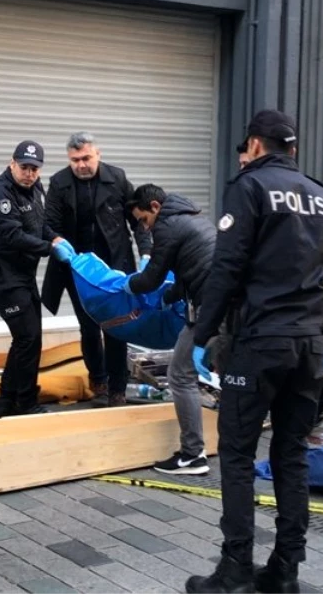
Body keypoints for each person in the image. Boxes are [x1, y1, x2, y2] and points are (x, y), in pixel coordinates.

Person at [188, 110, 323, 594]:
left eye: (246, 148)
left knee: (239, 454)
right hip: (307, 347)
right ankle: (286, 571)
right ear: (293, 149)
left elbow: (227, 266)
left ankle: (235, 570)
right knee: (291, 454)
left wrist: (202, 335)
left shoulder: (248, 188)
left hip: (258, 343)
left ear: (257, 146)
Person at [43, 132, 151, 407]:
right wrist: (56, 241)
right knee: (89, 327)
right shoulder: (59, 183)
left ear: (98, 155)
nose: (81, 164)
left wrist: (147, 252)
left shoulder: (116, 178)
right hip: (77, 269)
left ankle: (117, 388)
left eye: (86, 158)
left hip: (113, 268)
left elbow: (138, 220)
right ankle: (98, 382)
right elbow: (49, 223)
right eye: (75, 160)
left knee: (116, 328)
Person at [0, 141, 72, 418]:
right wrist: (49, 249)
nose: (29, 173)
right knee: (26, 338)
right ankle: (24, 402)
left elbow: (39, 224)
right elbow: (13, 236)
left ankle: (7, 402)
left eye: (34, 169)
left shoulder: (34, 188)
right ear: (12, 163)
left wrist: (54, 237)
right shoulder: (0, 194)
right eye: (24, 167)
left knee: (30, 338)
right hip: (1, 276)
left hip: (23, 275)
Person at [125, 183, 218, 475]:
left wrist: (128, 285)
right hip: (227, 302)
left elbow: (152, 278)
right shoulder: (191, 217)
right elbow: (189, 270)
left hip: (211, 307)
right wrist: (169, 297)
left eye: (143, 220)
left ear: (155, 208)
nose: (145, 227)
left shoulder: (166, 226)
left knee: (180, 375)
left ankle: (193, 455)